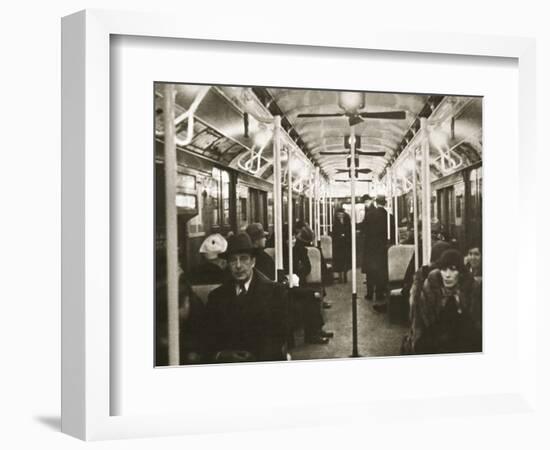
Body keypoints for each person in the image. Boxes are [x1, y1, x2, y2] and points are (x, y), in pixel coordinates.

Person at [202, 232, 287, 363]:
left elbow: (280, 336)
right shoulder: (216, 297)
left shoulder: (275, 292)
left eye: (243, 258)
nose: (238, 266)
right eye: (232, 260)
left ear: (253, 261)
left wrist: (255, 358)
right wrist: (223, 355)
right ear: (227, 264)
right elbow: (209, 336)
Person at [405, 249, 482, 354]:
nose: (447, 275)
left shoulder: (469, 290)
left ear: (460, 273)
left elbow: (474, 326)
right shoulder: (430, 290)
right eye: (444, 269)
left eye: (453, 269)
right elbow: (422, 328)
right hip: (434, 341)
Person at [362, 195, 395, 303]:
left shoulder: (369, 215)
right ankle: (380, 294)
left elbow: (364, 232)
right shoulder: (389, 217)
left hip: (370, 247)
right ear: (385, 203)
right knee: (381, 270)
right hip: (383, 247)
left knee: (370, 271)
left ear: (376, 203)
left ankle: (370, 294)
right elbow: (392, 234)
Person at [331, 208, 352, 283]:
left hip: (346, 243)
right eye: (338, 215)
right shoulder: (335, 222)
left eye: (341, 215)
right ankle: (340, 276)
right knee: (339, 260)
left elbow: (349, 230)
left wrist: (345, 235)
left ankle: (345, 275)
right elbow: (334, 232)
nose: (340, 216)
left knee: (345, 260)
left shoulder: (347, 220)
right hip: (338, 244)